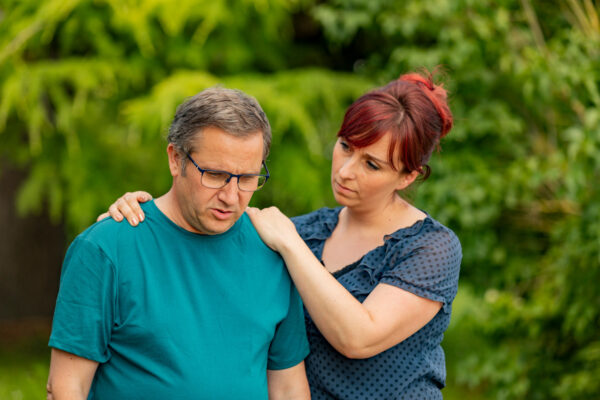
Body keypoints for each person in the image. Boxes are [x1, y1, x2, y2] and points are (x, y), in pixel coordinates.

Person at [102, 71, 462, 399]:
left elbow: (358, 338)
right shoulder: (304, 230)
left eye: (372, 164)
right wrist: (134, 221)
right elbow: (202, 238)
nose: (346, 171)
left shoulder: (430, 248)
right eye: (345, 147)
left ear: (408, 177)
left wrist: (291, 244)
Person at [46, 88, 310, 400]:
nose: (231, 196)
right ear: (175, 159)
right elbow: (66, 389)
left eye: (247, 178)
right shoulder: (105, 249)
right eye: (215, 175)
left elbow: (289, 389)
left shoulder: (273, 252)